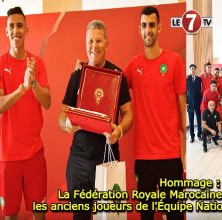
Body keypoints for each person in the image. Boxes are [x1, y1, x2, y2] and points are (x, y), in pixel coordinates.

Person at [59, 20, 133, 220]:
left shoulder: (117, 76)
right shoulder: (77, 75)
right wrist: (66, 123)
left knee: (109, 216)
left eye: (99, 41)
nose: (94, 46)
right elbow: (61, 115)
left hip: (107, 159)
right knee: (80, 216)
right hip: (79, 160)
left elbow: (128, 114)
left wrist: (119, 131)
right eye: (90, 41)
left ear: (107, 43)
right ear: (85, 44)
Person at [122, 6, 187, 220]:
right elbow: (112, 86)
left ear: (159, 28)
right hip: (144, 157)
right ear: (139, 30)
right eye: (143, 25)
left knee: (175, 216)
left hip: (170, 155)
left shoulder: (174, 61)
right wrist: (86, 70)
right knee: (146, 216)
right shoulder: (133, 65)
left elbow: (182, 106)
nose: (147, 30)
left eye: (151, 25)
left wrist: (184, 153)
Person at [0, 7, 51, 220]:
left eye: (20, 26)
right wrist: (22, 88)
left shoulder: (38, 64)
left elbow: (46, 102)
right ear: (6, 31)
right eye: (12, 26)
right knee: (11, 215)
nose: (16, 30)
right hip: (7, 156)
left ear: (27, 30)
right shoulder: (0, 65)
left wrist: (33, 81)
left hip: (34, 154)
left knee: (39, 212)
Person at [186, 64, 202, 143]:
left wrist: (201, 101)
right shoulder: (186, 79)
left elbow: (200, 91)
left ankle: (199, 135)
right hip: (190, 103)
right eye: (191, 68)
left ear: (195, 70)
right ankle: (192, 136)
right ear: (190, 69)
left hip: (197, 102)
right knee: (191, 120)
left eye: (194, 68)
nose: (193, 70)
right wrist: (186, 102)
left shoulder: (199, 79)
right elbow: (185, 91)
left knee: (199, 119)